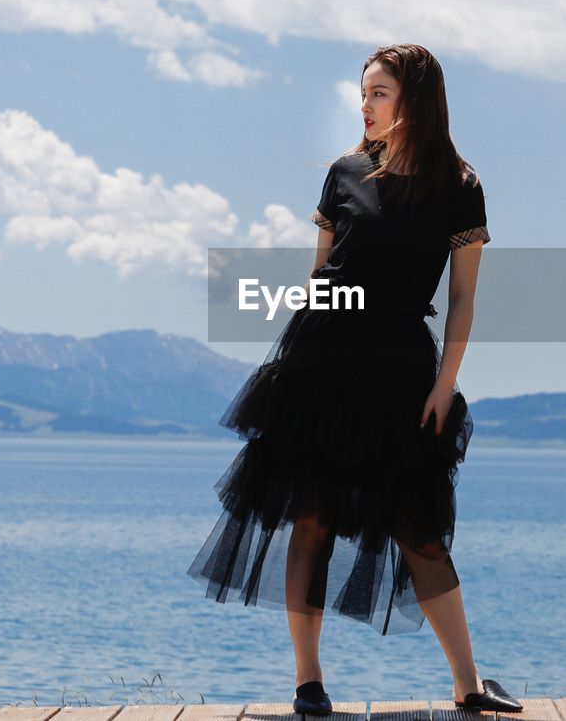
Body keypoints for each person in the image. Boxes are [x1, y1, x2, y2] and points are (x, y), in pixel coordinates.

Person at [188, 44, 523, 715]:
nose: (364, 106)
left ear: (415, 99)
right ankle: (308, 683)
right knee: (309, 519)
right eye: (362, 93)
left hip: (402, 364)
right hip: (323, 356)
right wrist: (295, 368)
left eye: (378, 93)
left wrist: (445, 382)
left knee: (418, 528)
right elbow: (322, 278)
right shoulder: (344, 174)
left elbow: (462, 298)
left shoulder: (460, 185)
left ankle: (468, 684)